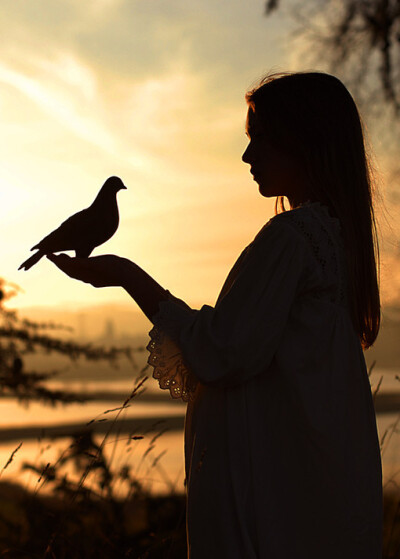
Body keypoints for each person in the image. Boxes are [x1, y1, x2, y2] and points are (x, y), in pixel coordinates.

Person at [48, 71, 383, 558]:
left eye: (260, 139)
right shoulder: (338, 241)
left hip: (277, 508)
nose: (248, 156)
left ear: (303, 139)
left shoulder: (293, 237)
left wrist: (127, 275)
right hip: (322, 486)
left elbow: (221, 352)